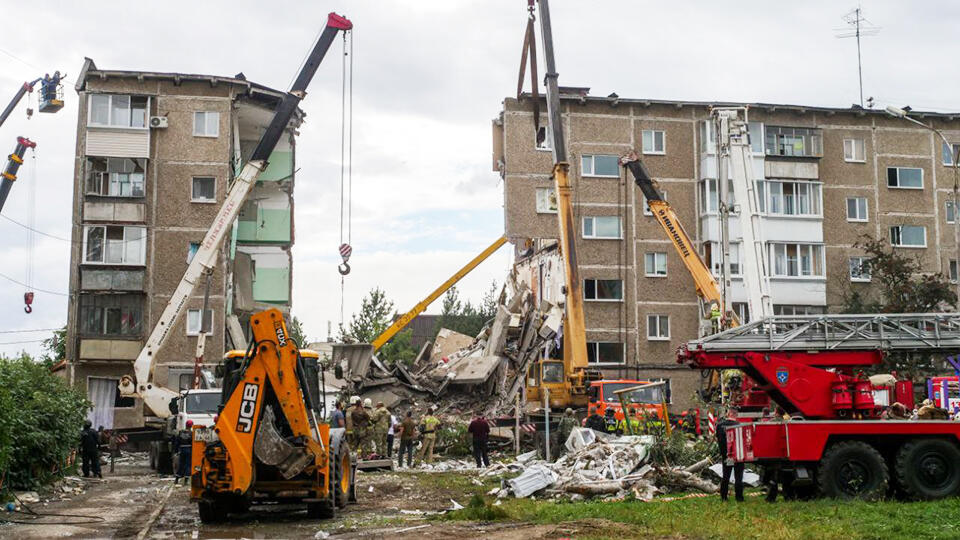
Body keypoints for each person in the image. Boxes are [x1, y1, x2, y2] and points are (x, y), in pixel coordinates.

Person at [716, 409, 744, 502]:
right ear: (736, 415)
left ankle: (724, 497)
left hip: (727, 455)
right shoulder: (740, 426)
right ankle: (739, 497)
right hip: (738, 455)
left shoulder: (719, 426)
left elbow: (718, 439)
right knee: (738, 477)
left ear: (728, 414)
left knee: (726, 476)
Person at [174, 420, 194, 485]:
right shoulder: (192, 433)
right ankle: (186, 480)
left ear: (186, 425)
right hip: (189, 450)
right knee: (188, 464)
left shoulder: (181, 432)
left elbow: (177, 442)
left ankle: (177, 479)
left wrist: (176, 451)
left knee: (181, 464)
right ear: (191, 426)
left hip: (182, 450)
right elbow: (193, 443)